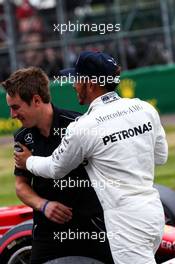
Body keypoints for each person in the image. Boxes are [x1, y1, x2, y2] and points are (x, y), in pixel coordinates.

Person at [14, 51, 168, 264]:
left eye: (77, 80)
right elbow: (161, 157)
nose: (73, 85)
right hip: (153, 211)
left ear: (90, 84)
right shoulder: (144, 108)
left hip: (124, 220)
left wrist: (28, 161)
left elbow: (55, 168)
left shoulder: (83, 126)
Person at [1, 66, 114, 264]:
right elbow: (21, 186)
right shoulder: (22, 138)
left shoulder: (78, 125)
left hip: (92, 227)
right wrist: (44, 205)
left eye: (16, 107)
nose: (12, 115)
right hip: (48, 233)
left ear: (36, 100)